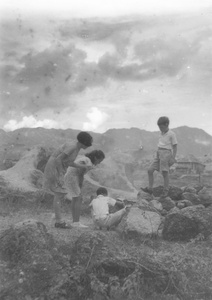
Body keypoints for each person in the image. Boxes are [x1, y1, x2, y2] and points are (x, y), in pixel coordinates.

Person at [43, 131, 93, 229]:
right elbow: (58, 159)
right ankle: (59, 221)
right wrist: (61, 175)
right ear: (84, 142)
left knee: (60, 194)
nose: (89, 145)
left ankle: (57, 217)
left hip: (56, 168)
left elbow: (68, 162)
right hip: (54, 168)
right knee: (59, 194)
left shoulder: (76, 147)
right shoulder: (73, 147)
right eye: (88, 143)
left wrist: (83, 166)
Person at [64, 150, 105, 228]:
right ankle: (76, 222)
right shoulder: (88, 163)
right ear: (96, 158)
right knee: (78, 199)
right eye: (99, 160)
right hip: (72, 178)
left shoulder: (85, 159)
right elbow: (81, 174)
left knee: (75, 198)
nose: (99, 163)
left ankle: (74, 220)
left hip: (69, 177)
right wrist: (80, 184)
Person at [142, 116, 177, 198]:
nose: (160, 129)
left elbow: (175, 147)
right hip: (159, 153)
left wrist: (173, 158)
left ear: (166, 124)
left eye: (161, 127)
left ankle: (165, 191)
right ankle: (150, 189)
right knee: (150, 170)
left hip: (166, 153)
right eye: (159, 127)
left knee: (165, 172)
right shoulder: (161, 134)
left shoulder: (172, 134)